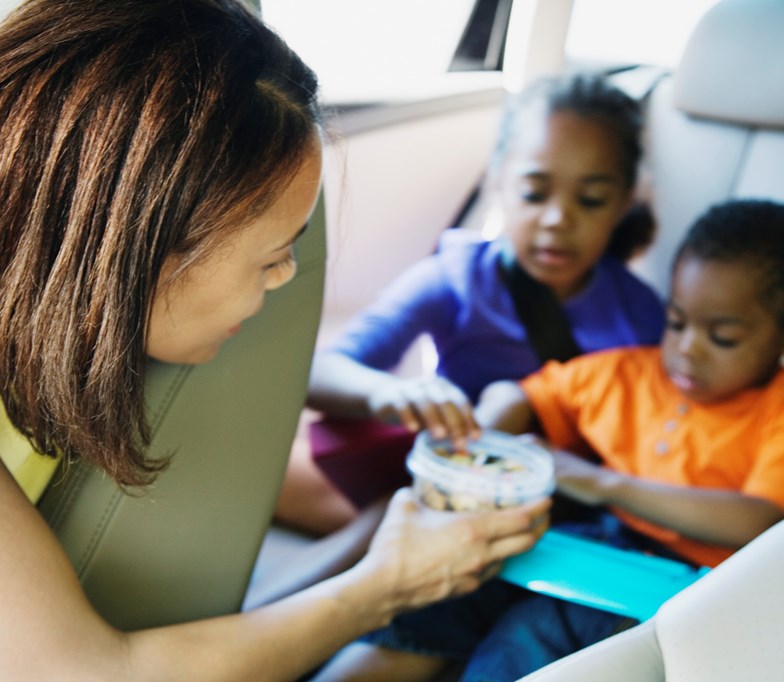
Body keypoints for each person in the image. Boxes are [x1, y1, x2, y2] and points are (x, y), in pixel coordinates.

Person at [0, 2, 551, 680]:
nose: (284, 277)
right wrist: (382, 587)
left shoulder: (13, 308)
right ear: (141, 243)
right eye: (272, 255)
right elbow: (80, 672)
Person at [314, 198, 784, 681]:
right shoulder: (631, 373)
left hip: (695, 586)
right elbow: (524, 395)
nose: (686, 350)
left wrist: (602, 483)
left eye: (722, 337)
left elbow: (762, 520)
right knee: (444, 592)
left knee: (532, 634)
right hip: (595, 543)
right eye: (676, 322)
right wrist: (485, 430)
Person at [277, 73, 666, 536]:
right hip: (442, 476)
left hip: (562, 501)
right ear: (498, 181)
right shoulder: (457, 279)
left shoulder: (641, 314)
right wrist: (393, 393)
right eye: (534, 193)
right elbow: (320, 372)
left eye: (591, 199)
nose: (559, 219)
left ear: (624, 202)